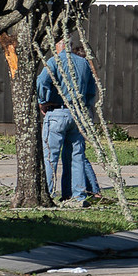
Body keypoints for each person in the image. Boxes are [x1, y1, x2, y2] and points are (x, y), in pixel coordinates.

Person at [36, 32, 99, 206]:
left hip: (57, 112)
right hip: (78, 114)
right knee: (76, 156)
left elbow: (42, 81)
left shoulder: (54, 60)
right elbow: (92, 91)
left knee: (50, 157)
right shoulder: (84, 63)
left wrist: (43, 101)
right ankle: (77, 196)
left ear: (59, 45)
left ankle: (48, 194)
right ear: (71, 45)